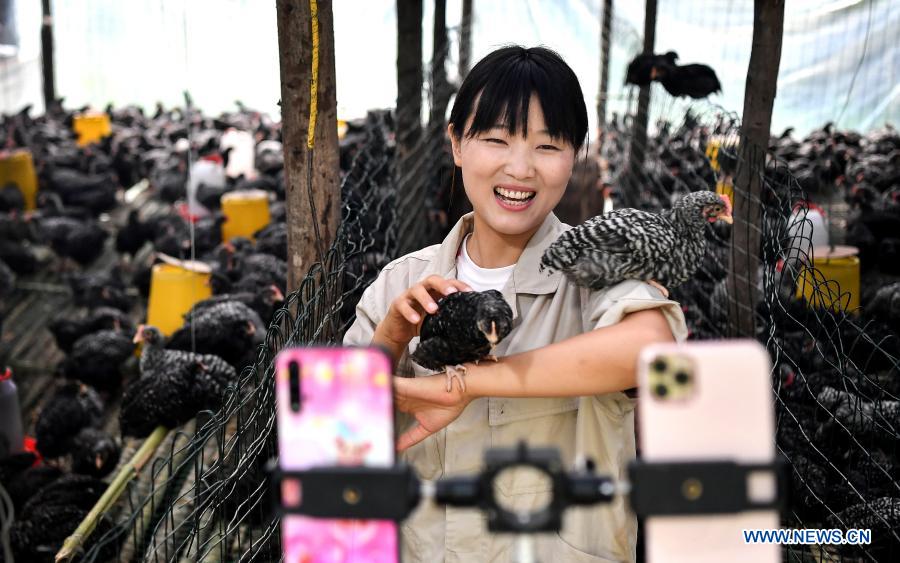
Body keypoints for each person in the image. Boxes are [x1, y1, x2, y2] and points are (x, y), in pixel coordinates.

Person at [344, 45, 687, 563]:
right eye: (496, 140)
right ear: (456, 144)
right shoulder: (400, 284)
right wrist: (391, 339)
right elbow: (339, 439)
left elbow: (652, 350)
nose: (520, 168)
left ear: (575, 155)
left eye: (547, 146)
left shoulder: (595, 271)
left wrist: (465, 383)